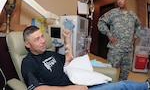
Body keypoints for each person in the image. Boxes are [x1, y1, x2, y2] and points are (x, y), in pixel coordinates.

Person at [21, 26, 150, 90]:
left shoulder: (49, 53)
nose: (43, 41)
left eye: (42, 36)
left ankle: (146, 85)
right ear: (27, 44)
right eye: (37, 39)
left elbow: (69, 57)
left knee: (115, 85)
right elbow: (38, 89)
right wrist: (73, 89)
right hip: (74, 89)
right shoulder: (28, 63)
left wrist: (67, 38)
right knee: (122, 85)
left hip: (79, 84)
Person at [97, 0, 142, 80]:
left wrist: (135, 36)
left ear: (126, 1)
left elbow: (139, 26)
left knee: (124, 75)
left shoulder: (132, 15)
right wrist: (109, 34)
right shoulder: (112, 13)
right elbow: (101, 22)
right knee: (110, 72)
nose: (119, 1)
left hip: (128, 50)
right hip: (115, 49)